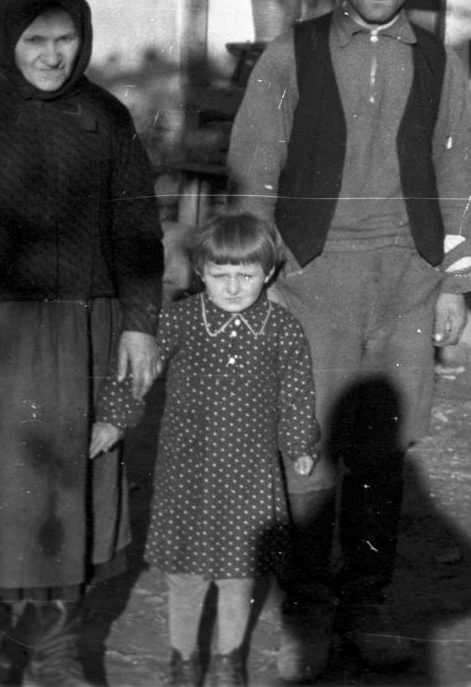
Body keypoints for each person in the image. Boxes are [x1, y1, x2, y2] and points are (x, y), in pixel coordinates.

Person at [227, 0, 471, 681]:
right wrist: (263, 269)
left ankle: (365, 605)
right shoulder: (291, 52)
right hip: (313, 273)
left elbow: (454, 168)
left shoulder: (435, 59)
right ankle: (303, 608)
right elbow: (254, 165)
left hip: (404, 277)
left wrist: (451, 282)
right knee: (306, 447)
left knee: (380, 450)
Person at [0, 0, 164, 686]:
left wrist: (140, 323)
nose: (52, 54)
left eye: (67, 38)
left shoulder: (106, 117)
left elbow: (137, 230)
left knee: (64, 496)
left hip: (85, 335)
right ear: (7, 38)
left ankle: (54, 658)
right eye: (35, 39)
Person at [145, 212, 320, 687]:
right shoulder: (181, 319)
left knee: (239, 574)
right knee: (185, 573)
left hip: (249, 474)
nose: (234, 287)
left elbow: (297, 393)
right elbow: (138, 369)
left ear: (269, 273)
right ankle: (182, 660)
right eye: (221, 275)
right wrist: (112, 418)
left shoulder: (282, 328)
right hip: (188, 470)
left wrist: (300, 442)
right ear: (201, 272)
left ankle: (227, 661)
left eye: (247, 275)